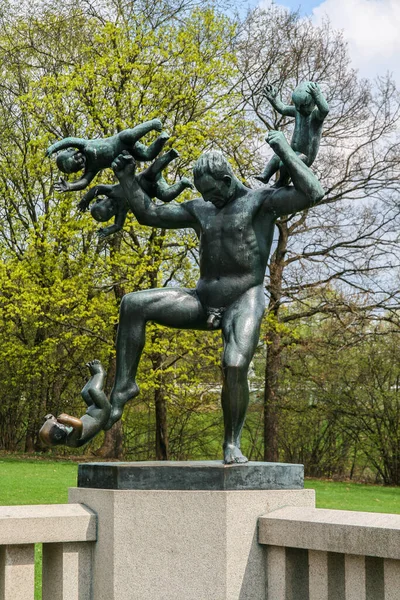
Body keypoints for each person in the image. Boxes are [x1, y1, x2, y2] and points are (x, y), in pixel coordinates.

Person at [106, 130, 324, 464]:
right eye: (204, 194)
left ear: (226, 179)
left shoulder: (261, 202)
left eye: (213, 192)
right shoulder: (201, 209)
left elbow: (314, 192)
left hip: (244, 298)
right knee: (133, 304)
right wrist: (127, 179)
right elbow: (150, 214)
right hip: (202, 299)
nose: (210, 199)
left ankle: (231, 444)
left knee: (234, 364)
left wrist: (283, 148)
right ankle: (124, 387)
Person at [77, 149, 193, 239]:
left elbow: (96, 188)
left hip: (143, 180)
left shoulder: (111, 191)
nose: (112, 207)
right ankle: (183, 183)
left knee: (153, 170)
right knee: (166, 196)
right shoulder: (121, 210)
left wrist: (85, 200)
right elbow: (118, 226)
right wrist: (108, 230)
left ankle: (170, 155)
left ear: (100, 200)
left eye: (108, 206)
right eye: (111, 211)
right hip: (153, 190)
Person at [46, 118, 168, 193]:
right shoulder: (92, 168)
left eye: (75, 157)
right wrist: (70, 186)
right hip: (129, 152)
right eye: (76, 165)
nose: (79, 161)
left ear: (72, 151)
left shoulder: (85, 145)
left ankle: (152, 124)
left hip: (121, 140)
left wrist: (54, 147)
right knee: (147, 155)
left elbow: (70, 140)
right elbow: (84, 182)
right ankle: (161, 139)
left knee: (130, 135)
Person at [255, 81, 329, 186]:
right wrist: (274, 100)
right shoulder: (298, 112)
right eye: (296, 105)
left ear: (313, 102)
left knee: (284, 162)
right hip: (293, 151)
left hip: (305, 156)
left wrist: (318, 95)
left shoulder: (316, 116)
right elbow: (283, 108)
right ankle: (266, 175)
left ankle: (282, 181)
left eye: (302, 106)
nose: (299, 109)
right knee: (277, 157)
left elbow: (325, 110)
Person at [39, 360, 110, 448]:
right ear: (58, 435)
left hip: (93, 409)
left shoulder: (66, 436)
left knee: (84, 393)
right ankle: (99, 373)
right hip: (102, 411)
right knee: (93, 390)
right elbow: (78, 424)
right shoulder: (71, 441)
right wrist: (68, 418)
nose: (60, 423)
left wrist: (50, 420)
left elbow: (55, 424)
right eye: (58, 425)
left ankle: (94, 376)